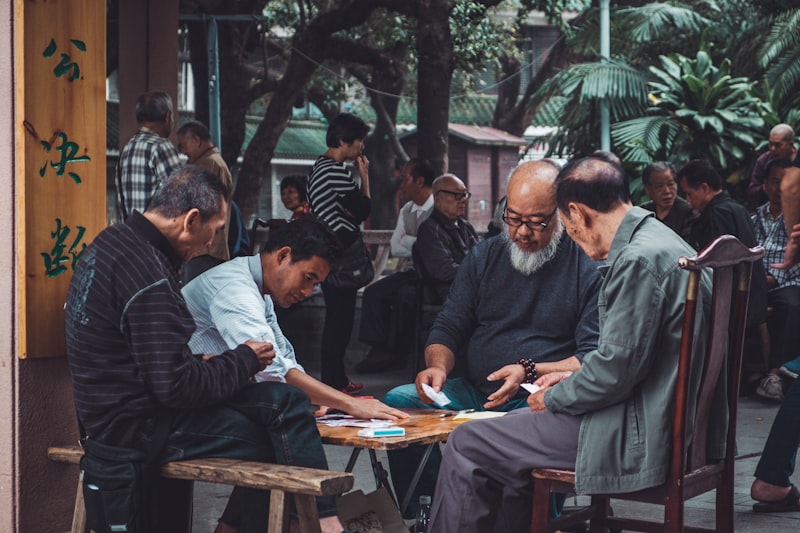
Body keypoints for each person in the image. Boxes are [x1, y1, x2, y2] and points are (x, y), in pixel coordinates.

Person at [427, 156, 714, 532]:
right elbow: (624, 360)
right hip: (668, 420)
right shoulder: (661, 239)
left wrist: (553, 395)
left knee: (468, 442)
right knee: (511, 435)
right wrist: (560, 379)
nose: (571, 238)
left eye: (562, 224)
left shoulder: (636, 260)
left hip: (640, 431)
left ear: (575, 213)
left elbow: (614, 370)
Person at [65, 165, 350, 533]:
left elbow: (154, 362)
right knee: (274, 432)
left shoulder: (112, 244)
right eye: (213, 233)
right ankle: (324, 524)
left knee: (282, 401)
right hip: (136, 426)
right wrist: (244, 359)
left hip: (121, 410)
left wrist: (209, 362)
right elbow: (177, 386)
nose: (209, 246)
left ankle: (278, 524)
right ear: (191, 220)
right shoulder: (148, 272)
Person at [382, 160, 602, 516]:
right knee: (401, 402)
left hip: (536, 397)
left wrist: (528, 371)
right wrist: (436, 367)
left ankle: (510, 516)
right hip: (474, 391)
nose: (521, 233)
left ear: (562, 213)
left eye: (536, 222)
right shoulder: (485, 257)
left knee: (533, 432)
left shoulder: (585, 265)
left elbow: (590, 356)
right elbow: (449, 325)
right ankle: (435, 506)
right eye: (513, 218)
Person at [182, 216, 407, 532]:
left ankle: (242, 527)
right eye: (308, 278)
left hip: (219, 395)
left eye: (316, 284)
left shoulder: (260, 291)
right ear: (283, 255)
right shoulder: (235, 289)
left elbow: (284, 358)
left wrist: (317, 397)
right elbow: (276, 375)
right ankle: (325, 523)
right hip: (186, 410)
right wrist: (349, 404)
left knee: (281, 420)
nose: (309, 290)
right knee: (282, 408)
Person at [678, 159, 769, 372]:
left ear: (704, 188)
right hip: (750, 294)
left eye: (689, 194)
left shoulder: (717, 212)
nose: (687, 200)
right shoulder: (735, 207)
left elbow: (716, 263)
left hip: (733, 299)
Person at [307, 112, 371, 395]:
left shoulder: (318, 167)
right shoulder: (334, 170)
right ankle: (334, 382)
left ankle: (336, 379)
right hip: (339, 253)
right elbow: (362, 210)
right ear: (344, 141)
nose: (361, 148)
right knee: (339, 320)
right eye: (359, 141)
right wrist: (365, 175)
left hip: (328, 250)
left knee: (336, 317)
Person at [355, 158, 436, 373]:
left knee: (404, 298)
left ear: (419, 181)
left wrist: (412, 241)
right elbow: (395, 247)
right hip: (410, 271)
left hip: (431, 274)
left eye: (405, 179)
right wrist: (418, 242)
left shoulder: (438, 208)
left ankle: (393, 352)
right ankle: (378, 348)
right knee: (373, 292)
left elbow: (431, 250)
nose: (401, 185)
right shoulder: (406, 210)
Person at [751, 159, 800, 401]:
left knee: (792, 304)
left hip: (788, 281)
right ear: (765, 185)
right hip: (757, 283)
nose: (780, 187)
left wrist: (773, 278)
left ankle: (775, 375)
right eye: (774, 181)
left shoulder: (796, 216)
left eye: (784, 182)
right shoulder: (755, 217)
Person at [116, 90, 182, 219]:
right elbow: (181, 194)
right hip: (155, 236)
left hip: (130, 234)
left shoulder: (127, 148)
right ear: (167, 117)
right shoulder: (161, 146)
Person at [414, 173, 480, 302]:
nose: (463, 200)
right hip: (450, 294)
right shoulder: (429, 229)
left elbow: (482, 256)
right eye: (457, 195)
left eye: (465, 195)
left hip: (472, 287)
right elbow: (444, 271)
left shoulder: (466, 226)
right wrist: (479, 271)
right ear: (438, 200)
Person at [177, 120, 234, 261]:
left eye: (183, 146)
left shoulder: (211, 164)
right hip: (201, 248)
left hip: (206, 250)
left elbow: (205, 209)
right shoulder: (205, 162)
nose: (183, 152)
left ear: (196, 141)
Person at [640, 161, 695, 239]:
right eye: (659, 186)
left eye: (671, 184)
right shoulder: (643, 212)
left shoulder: (688, 212)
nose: (667, 191)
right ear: (648, 190)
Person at [748, 123, 796, 208]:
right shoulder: (763, 160)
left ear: (791, 144)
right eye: (770, 144)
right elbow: (752, 191)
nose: (773, 149)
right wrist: (768, 188)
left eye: (778, 145)